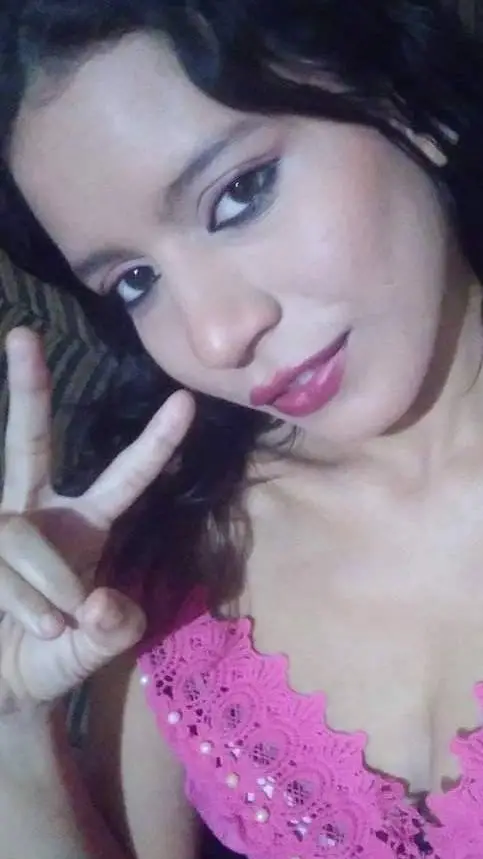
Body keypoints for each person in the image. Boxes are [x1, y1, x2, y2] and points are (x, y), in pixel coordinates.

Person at [0, 0, 483, 856]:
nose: (216, 336)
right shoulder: (172, 560)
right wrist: (16, 733)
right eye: (135, 280)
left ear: (401, 101)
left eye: (239, 193)